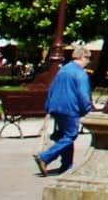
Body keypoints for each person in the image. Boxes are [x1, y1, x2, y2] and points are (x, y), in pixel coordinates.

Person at [34, 46, 92, 177]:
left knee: (65, 135)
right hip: (70, 107)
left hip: (56, 106)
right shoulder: (80, 73)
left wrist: (49, 106)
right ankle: (45, 157)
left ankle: (66, 165)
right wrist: (88, 109)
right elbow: (83, 94)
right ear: (83, 57)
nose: (88, 62)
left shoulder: (63, 70)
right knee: (71, 135)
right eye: (88, 59)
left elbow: (52, 88)